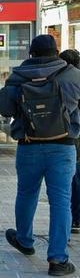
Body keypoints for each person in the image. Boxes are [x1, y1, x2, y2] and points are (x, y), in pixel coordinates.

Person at [0, 34, 80, 277]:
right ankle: (58, 260)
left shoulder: (18, 76)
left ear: (31, 53)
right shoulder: (73, 75)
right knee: (61, 201)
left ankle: (24, 240)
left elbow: (4, 108)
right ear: (57, 51)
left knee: (26, 193)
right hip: (63, 146)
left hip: (28, 145)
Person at [59, 48, 80, 236]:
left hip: (68, 137)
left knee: (73, 179)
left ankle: (75, 218)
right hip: (74, 135)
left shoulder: (57, 79)